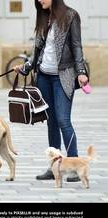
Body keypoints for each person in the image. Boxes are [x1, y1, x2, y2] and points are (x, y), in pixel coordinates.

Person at [14, 0, 88, 182]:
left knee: (63, 120)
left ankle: (75, 166)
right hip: (44, 77)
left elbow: (77, 45)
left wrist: (81, 71)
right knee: (52, 122)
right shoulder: (44, 17)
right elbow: (38, 49)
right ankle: (55, 166)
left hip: (63, 75)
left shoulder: (71, 15)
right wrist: (26, 67)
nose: (39, 0)